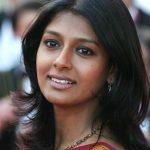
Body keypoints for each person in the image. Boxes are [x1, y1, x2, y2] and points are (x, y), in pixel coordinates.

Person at [13, 0, 150, 150]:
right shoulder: (36, 135)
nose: (61, 61)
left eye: (84, 51)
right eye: (52, 43)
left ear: (112, 70)